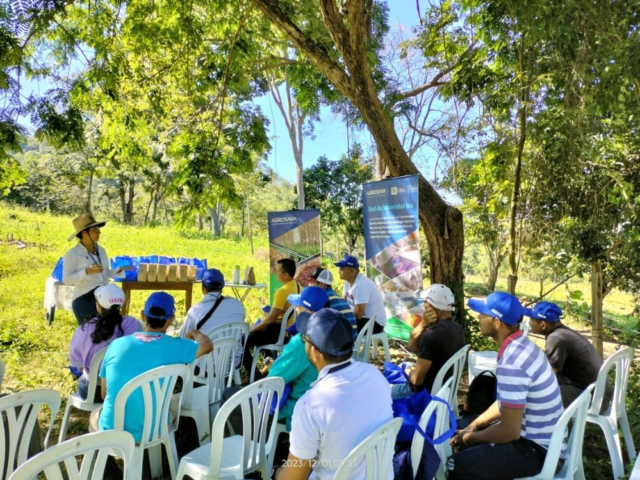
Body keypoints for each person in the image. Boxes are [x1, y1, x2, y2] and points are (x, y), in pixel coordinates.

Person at [447, 292, 565, 480]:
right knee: (459, 426)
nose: (478, 317)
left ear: (497, 322)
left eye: (483, 314)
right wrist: (474, 426)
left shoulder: (513, 361)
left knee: (457, 464)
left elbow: (510, 431)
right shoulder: (521, 345)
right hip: (537, 435)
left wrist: (470, 438)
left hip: (539, 449)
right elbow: (504, 402)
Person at [275, 308, 393, 480]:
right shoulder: (375, 375)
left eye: (304, 339)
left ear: (315, 352)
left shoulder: (311, 405)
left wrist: (276, 472)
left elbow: (293, 477)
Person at [90, 292, 213, 443]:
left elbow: (104, 393)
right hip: (153, 431)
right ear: (171, 320)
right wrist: (194, 332)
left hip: (113, 430)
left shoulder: (116, 345)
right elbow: (207, 346)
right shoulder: (177, 347)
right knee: (173, 400)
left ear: (143, 315)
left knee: (95, 414)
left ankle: (103, 458)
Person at [526, 301, 607, 408]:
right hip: (595, 391)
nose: (529, 323)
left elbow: (548, 376)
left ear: (543, 324)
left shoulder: (556, 338)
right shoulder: (562, 333)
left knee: (533, 400)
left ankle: (549, 423)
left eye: (532, 319)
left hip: (592, 396)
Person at [69, 284, 141, 401]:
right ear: (121, 304)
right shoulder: (133, 324)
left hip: (91, 391)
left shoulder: (85, 327)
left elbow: (80, 367)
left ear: (98, 305)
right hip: (123, 389)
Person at [391, 284, 465, 399]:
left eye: (425, 302)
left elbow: (416, 380)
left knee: (378, 393)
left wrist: (408, 371)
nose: (423, 306)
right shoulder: (458, 329)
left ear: (430, 305)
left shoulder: (431, 336)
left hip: (423, 393)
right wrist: (423, 324)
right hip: (446, 389)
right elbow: (411, 347)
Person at [63, 214, 132, 324]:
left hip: (104, 297)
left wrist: (120, 269)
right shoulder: (73, 254)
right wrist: (86, 272)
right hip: (85, 299)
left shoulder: (102, 251)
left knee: (109, 332)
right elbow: (67, 279)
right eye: (95, 229)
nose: (99, 232)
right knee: (91, 335)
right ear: (84, 233)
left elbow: (104, 274)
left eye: (98, 229)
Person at [243, 258, 301, 376]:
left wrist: (252, 328)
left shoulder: (282, 291)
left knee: (243, 340)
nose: (275, 273)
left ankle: (254, 376)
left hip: (279, 333)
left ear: (285, 275)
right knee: (260, 328)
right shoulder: (299, 286)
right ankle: (268, 359)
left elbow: (271, 319)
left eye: (277, 271)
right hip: (292, 331)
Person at [179, 268, 245, 368]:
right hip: (233, 363)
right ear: (222, 287)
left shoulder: (195, 311)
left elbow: (183, 340)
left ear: (203, 288)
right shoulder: (238, 305)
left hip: (204, 367)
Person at [334, 254, 386, 334]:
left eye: (342, 268)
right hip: (363, 319)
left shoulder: (361, 284)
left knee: (340, 328)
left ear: (351, 271)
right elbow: (343, 305)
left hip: (375, 323)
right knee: (335, 325)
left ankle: (349, 346)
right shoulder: (347, 283)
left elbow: (358, 314)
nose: (339, 270)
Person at [308, 267, 357, 339]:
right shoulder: (339, 298)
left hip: (337, 347)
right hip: (351, 345)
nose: (309, 285)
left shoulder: (321, 300)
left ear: (322, 285)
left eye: (312, 282)